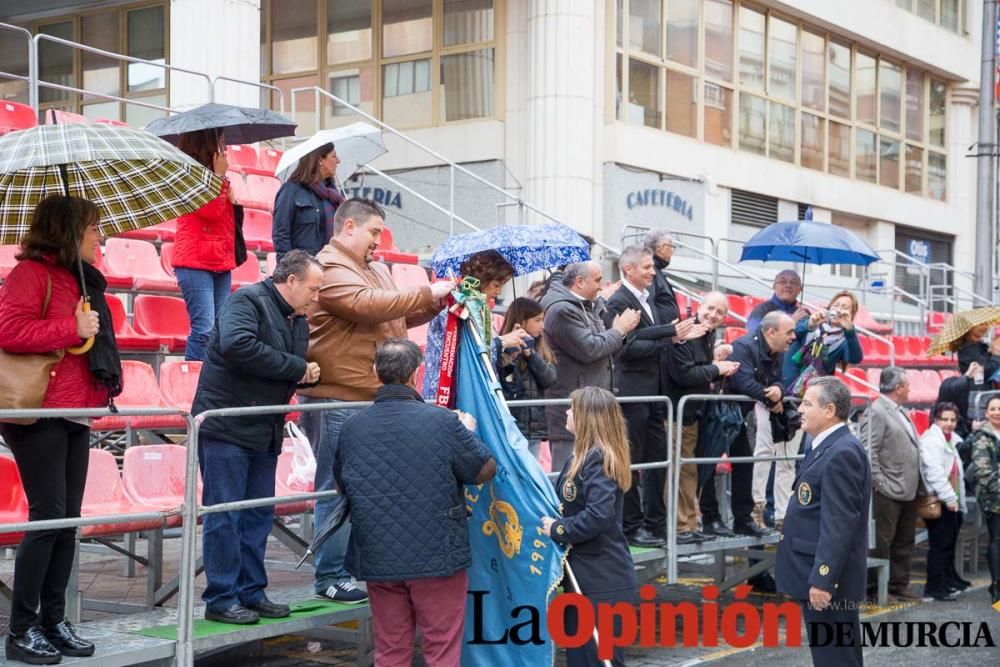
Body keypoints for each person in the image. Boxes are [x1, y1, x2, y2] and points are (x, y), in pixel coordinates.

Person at [298, 198, 455, 604]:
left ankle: (350, 569)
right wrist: (425, 290)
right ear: (348, 226)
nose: (378, 241)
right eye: (373, 232)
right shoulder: (329, 266)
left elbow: (391, 317)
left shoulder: (369, 268)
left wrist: (436, 303)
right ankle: (329, 575)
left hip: (368, 394)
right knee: (336, 487)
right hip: (338, 396)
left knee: (362, 487)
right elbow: (367, 306)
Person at [0, 195, 123, 664]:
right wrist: (69, 327)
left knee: (67, 521)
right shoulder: (29, 274)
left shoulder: (81, 276)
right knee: (49, 517)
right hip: (38, 411)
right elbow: (9, 331)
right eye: (94, 227)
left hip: (75, 410)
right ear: (69, 230)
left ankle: (54, 620)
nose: (101, 236)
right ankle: (22, 628)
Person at [335, 339, 496, 666]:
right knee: (441, 647)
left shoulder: (352, 427)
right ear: (415, 374)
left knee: (391, 649)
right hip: (436, 552)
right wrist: (466, 431)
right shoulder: (442, 421)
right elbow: (483, 470)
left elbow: (342, 485)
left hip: (378, 554)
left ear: (376, 373)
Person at [192, 250, 324, 624]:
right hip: (228, 425)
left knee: (257, 516)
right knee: (226, 516)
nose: (317, 296)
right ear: (292, 281)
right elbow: (236, 345)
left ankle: (251, 592)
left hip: (265, 426)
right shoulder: (246, 299)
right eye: (313, 289)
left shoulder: (297, 317)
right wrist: (298, 368)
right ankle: (221, 599)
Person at [604, 246, 702, 548]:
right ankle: (632, 527)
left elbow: (653, 338)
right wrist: (669, 339)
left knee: (658, 460)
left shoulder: (649, 302)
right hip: (632, 394)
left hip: (656, 394)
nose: (652, 271)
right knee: (632, 462)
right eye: (646, 267)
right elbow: (625, 348)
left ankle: (656, 524)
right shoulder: (619, 301)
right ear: (628, 269)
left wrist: (672, 336)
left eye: (652, 267)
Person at [776, 377, 870, 667]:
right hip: (823, 575)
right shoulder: (827, 446)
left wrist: (823, 579)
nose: (800, 409)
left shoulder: (841, 452)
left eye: (807, 403)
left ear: (830, 410)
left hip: (829, 581)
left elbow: (839, 525)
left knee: (835, 659)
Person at [541, 386, 637, 667]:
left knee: (600, 661)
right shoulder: (581, 456)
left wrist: (558, 529)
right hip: (584, 578)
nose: (567, 412)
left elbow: (598, 515)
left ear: (587, 416)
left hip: (602, 580)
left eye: (573, 407)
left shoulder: (598, 457)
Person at [542, 261, 640, 471]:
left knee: (593, 474)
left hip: (592, 406)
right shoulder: (561, 310)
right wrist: (618, 330)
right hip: (573, 409)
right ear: (579, 282)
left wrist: (619, 334)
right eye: (597, 280)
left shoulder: (589, 307)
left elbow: (606, 353)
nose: (601, 286)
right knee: (568, 474)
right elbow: (589, 349)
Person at [664, 292, 740, 544]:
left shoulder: (709, 336)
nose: (713, 315)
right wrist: (716, 368)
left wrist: (718, 367)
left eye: (720, 312)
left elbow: (699, 374)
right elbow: (683, 374)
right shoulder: (686, 331)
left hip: (691, 414)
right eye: (710, 308)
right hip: (673, 412)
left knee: (688, 470)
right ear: (699, 306)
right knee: (675, 470)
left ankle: (687, 524)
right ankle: (677, 526)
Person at [422, 250, 529, 400]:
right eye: (496, 285)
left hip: (470, 391)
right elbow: (467, 351)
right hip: (449, 393)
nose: (499, 292)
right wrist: (502, 342)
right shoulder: (457, 305)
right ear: (482, 281)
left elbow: (484, 351)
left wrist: (506, 350)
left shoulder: (478, 307)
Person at [173, 128, 238, 361]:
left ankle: (211, 383)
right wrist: (219, 179)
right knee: (204, 329)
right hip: (195, 262)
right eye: (220, 141)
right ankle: (192, 385)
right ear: (207, 144)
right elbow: (209, 212)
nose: (225, 148)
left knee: (218, 331)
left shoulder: (217, 179)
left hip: (219, 259)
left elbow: (227, 222)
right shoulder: (188, 175)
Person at [729, 311, 796, 537]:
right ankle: (708, 520)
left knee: (745, 466)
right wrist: (772, 399)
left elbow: (777, 379)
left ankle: (743, 521)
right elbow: (744, 382)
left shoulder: (777, 350)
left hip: (741, 417)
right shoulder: (743, 346)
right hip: (722, 414)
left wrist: (778, 390)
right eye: (789, 332)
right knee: (707, 470)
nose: (793, 337)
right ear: (771, 332)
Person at [858, 366, 921, 601]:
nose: (910, 389)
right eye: (907, 385)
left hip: (907, 486)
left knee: (904, 539)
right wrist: (879, 482)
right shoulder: (877, 411)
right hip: (887, 488)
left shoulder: (898, 410)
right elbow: (867, 450)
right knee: (882, 541)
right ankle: (876, 589)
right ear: (898, 388)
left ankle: (897, 585)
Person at [918, 402, 971, 601]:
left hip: (952, 500)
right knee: (939, 546)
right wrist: (949, 498)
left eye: (952, 420)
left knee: (948, 544)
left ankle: (947, 581)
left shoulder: (950, 439)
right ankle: (934, 587)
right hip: (941, 500)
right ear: (936, 420)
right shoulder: (932, 441)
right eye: (944, 419)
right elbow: (935, 473)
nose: (949, 423)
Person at [497, 297, 557, 453]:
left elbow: (550, 379)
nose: (542, 326)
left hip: (534, 428)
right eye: (537, 320)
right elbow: (506, 384)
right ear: (522, 322)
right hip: (511, 425)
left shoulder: (541, 348)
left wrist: (531, 355)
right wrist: (511, 357)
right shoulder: (501, 346)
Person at [783, 290, 864, 397]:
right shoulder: (811, 322)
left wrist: (849, 330)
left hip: (813, 395)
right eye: (836, 305)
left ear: (851, 314)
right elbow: (788, 336)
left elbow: (855, 358)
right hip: (784, 385)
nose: (839, 310)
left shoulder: (844, 340)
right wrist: (809, 324)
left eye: (845, 308)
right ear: (830, 308)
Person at [271, 142, 344, 261]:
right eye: (334, 156)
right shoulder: (291, 191)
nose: (339, 161)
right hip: (303, 269)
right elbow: (281, 235)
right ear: (320, 160)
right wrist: (287, 269)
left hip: (331, 265)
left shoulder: (334, 196)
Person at [969, 395, 1000, 603]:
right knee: (998, 540)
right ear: (986, 412)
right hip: (994, 498)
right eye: (993, 409)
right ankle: (996, 586)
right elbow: (983, 471)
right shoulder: (982, 437)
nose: (997, 412)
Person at [644, 229, 680, 325]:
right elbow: (649, 303)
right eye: (671, 247)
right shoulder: (651, 272)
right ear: (660, 247)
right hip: (661, 336)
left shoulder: (657, 271)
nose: (672, 252)